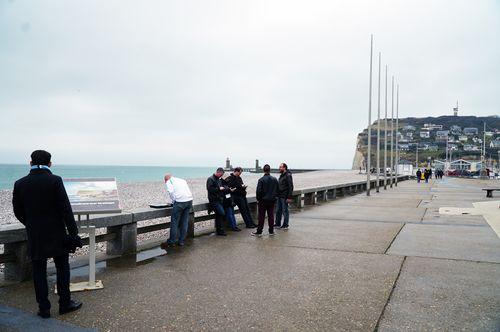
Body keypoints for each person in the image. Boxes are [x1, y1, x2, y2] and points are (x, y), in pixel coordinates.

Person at [12, 150, 82, 319]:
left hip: (35, 234)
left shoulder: (19, 183)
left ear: (30, 163)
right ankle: (65, 303)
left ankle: (43, 308)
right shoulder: (55, 181)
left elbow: (17, 211)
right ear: (50, 164)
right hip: (57, 232)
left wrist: (30, 224)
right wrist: (73, 233)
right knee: (62, 268)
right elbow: (66, 209)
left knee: (39, 270)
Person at [160, 174, 193, 249]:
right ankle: (181, 241)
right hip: (189, 200)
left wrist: (173, 200)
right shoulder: (182, 180)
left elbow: (171, 192)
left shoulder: (169, 181)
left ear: (165, 179)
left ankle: (172, 241)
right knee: (184, 221)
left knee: (174, 222)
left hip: (180, 202)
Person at [252, 164, 279, 237]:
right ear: (269, 170)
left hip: (263, 201)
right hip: (272, 201)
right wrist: (274, 197)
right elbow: (277, 190)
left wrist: (258, 199)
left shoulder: (261, 180)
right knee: (271, 216)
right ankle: (271, 231)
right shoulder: (275, 179)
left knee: (261, 217)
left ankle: (259, 231)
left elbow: (258, 191)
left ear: (263, 170)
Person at [206, 168, 228, 236]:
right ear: (218, 172)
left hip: (219, 199)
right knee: (221, 213)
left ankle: (219, 230)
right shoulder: (210, 179)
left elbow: (222, 186)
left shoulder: (218, 179)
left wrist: (224, 187)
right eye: (221, 174)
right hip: (214, 200)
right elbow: (209, 189)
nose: (221, 176)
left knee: (219, 215)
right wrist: (219, 188)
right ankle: (219, 230)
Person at [275, 163, 294, 229]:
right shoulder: (282, 175)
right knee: (278, 210)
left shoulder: (288, 175)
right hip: (279, 196)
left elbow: (290, 187)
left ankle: (285, 225)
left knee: (285, 211)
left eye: (280, 167)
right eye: (279, 167)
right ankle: (277, 224)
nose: (279, 168)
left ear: (284, 168)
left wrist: (289, 197)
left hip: (284, 196)